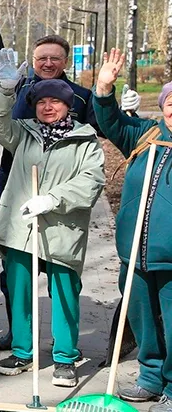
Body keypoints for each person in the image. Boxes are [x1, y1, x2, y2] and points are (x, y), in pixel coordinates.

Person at [0, 0, 129, 353]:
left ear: (64, 62)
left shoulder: (80, 97)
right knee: (16, 276)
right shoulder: (19, 85)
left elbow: (100, 131)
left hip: (61, 193)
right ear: (34, 60)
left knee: (59, 275)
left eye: (55, 58)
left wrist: (121, 109)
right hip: (20, 184)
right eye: (41, 57)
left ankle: (64, 348)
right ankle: (19, 337)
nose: (48, 62)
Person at [0, 49, 105, 388]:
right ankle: (23, 352)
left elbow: (91, 181)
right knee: (19, 289)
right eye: (41, 102)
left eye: (55, 102)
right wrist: (6, 90)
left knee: (65, 291)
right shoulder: (23, 132)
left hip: (62, 229)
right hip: (22, 228)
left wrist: (53, 199)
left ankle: (65, 357)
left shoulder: (84, 140)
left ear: (69, 106)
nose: (47, 107)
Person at [94, 49, 172, 410]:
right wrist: (105, 89)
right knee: (142, 321)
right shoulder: (148, 134)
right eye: (170, 102)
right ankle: (150, 377)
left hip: (170, 257)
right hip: (134, 251)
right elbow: (111, 125)